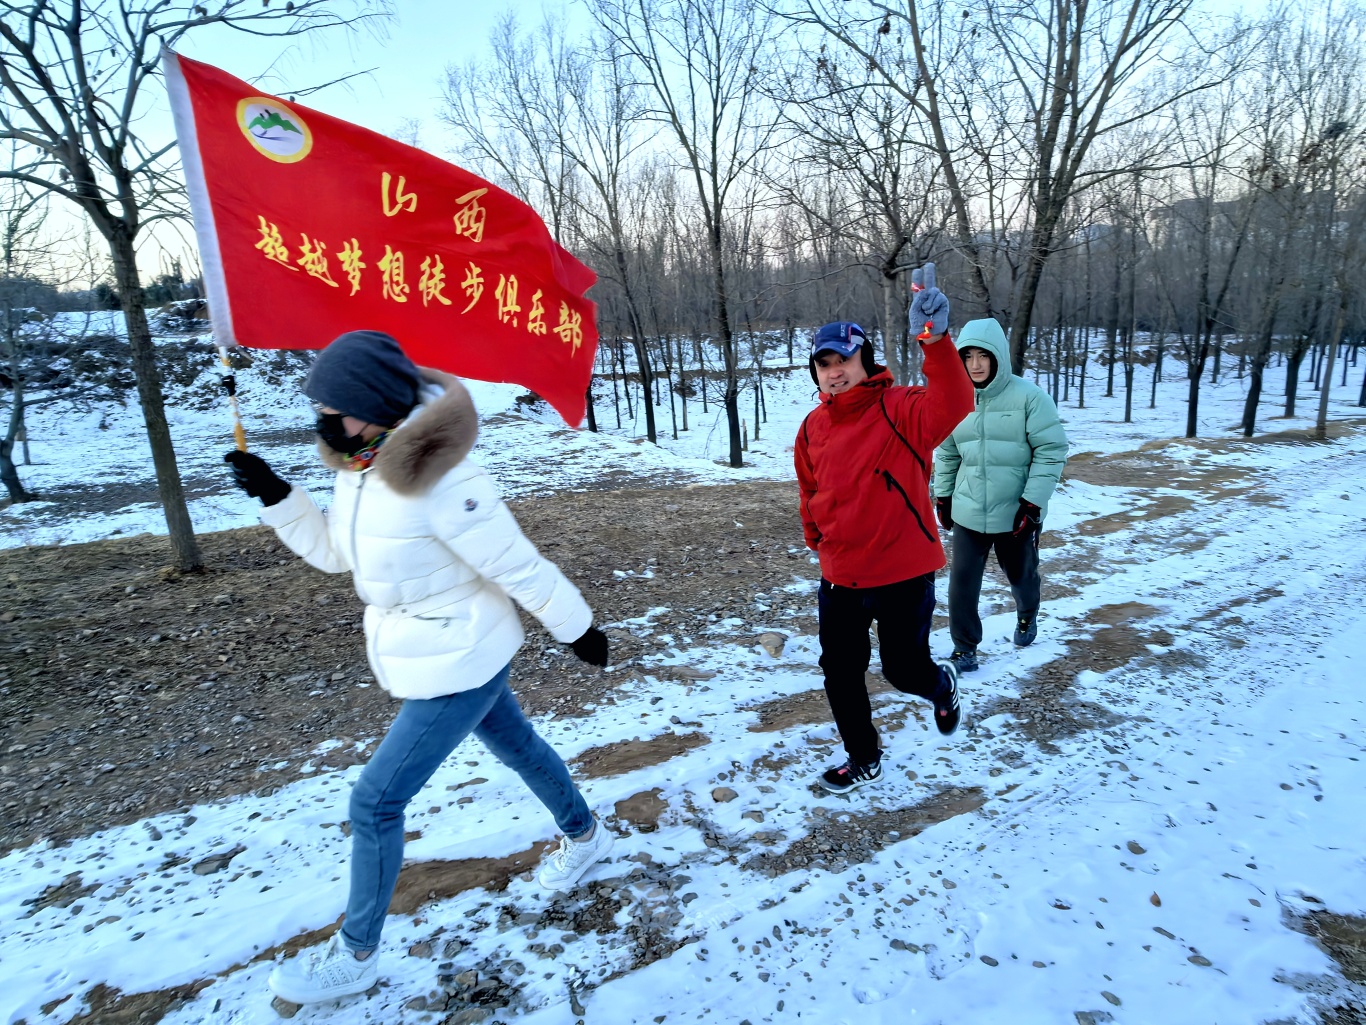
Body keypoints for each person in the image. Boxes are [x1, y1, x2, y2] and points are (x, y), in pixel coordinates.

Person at [224, 330, 617, 1005]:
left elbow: (514, 562)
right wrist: (277, 495)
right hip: (436, 646)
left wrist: (576, 627)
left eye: (333, 407)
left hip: (460, 654)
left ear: (375, 406)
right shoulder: (362, 464)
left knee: (374, 801)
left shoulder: (445, 479)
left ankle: (356, 953)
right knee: (518, 745)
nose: (323, 420)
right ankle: (584, 833)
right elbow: (337, 555)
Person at [794, 265, 976, 795]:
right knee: (841, 674)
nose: (833, 371)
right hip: (841, 576)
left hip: (902, 573)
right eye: (823, 364)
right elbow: (809, 490)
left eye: (843, 360)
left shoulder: (900, 408)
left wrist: (936, 341)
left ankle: (940, 683)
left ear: (864, 360)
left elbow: (956, 403)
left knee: (902, 671)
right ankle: (864, 756)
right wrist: (818, 538)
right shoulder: (811, 426)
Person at [932, 319, 1069, 673]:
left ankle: (1027, 616)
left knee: (1022, 577)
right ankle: (964, 648)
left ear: (998, 358)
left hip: (1016, 513)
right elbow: (947, 453)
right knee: (961, 584)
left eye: (983, 356)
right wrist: (944, 496)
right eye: (968, 356)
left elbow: (1051, 451)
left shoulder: (1030, 397)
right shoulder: (954, 401)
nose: (975, 364)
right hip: (969, 510)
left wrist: (1032, 502)